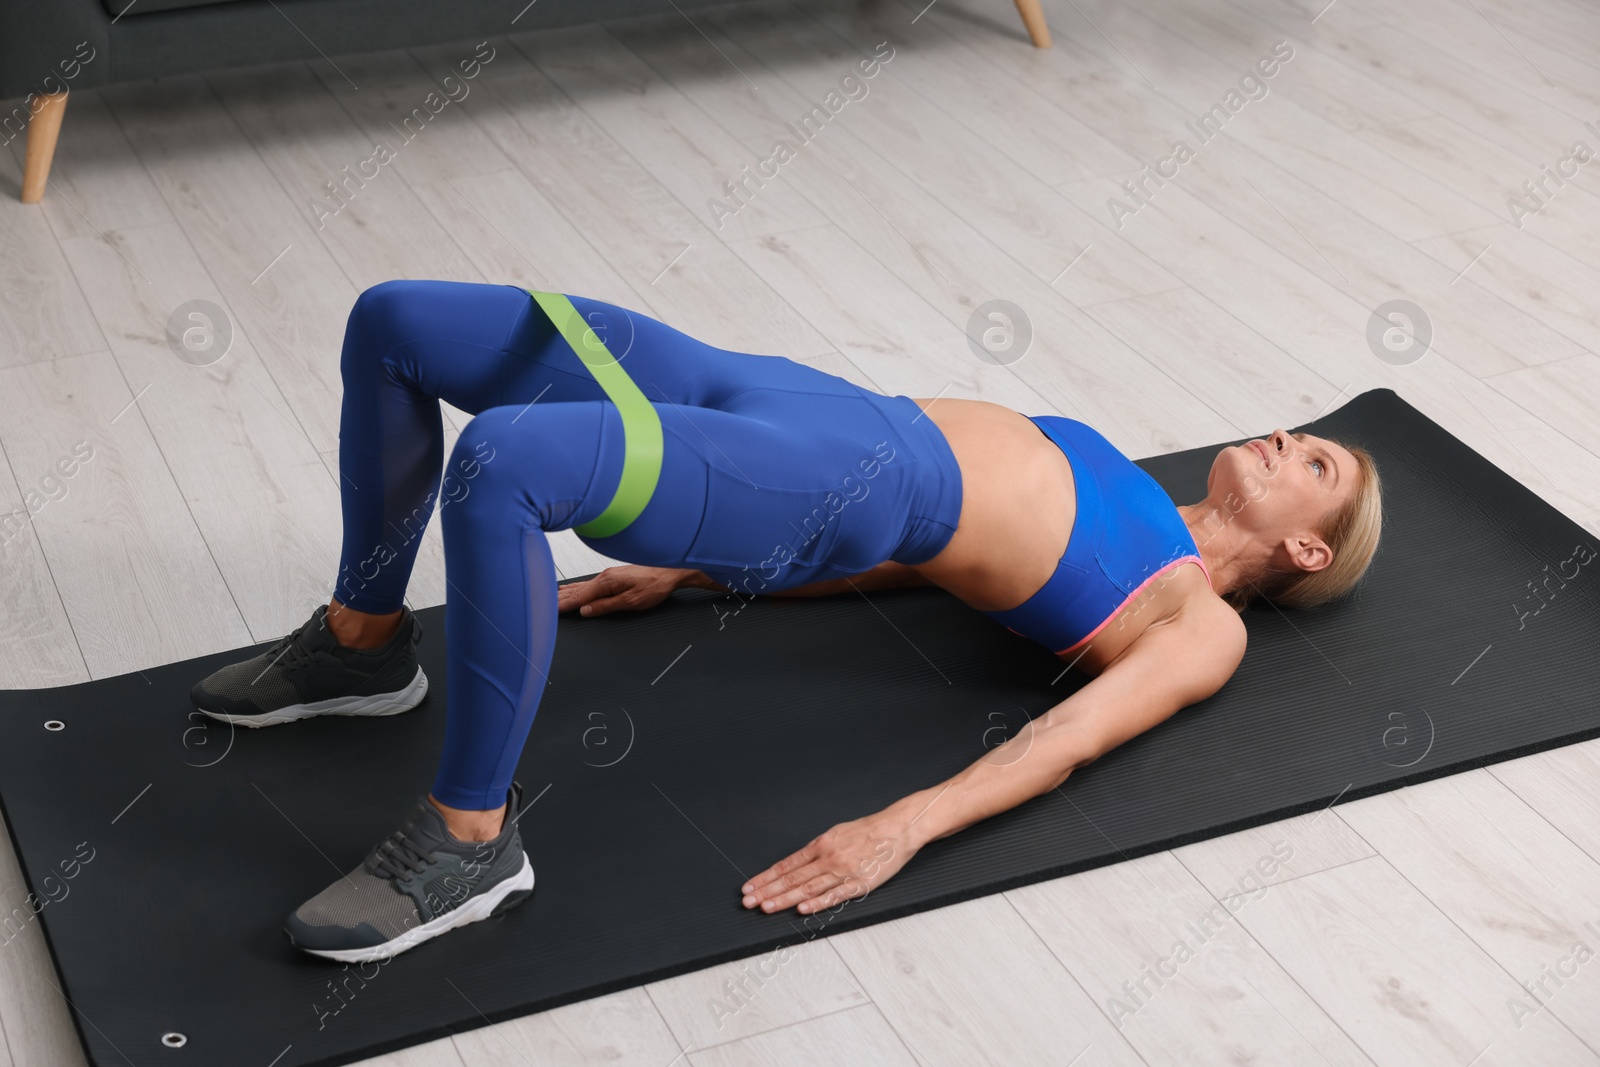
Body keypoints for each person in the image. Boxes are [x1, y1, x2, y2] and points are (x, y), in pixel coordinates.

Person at [190, 280, 1382, 963]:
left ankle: (470, 838)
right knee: (396, 319)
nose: (1285, 435)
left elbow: (1066, 738)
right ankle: (361, 645)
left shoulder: (1195, 617)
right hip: (799, 399)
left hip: (855, 474)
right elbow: (935, 572)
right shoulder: (1127, 486)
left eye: (1312, 459)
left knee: (503, 464)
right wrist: (701, 574)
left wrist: (905, 826)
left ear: (1304, 547)